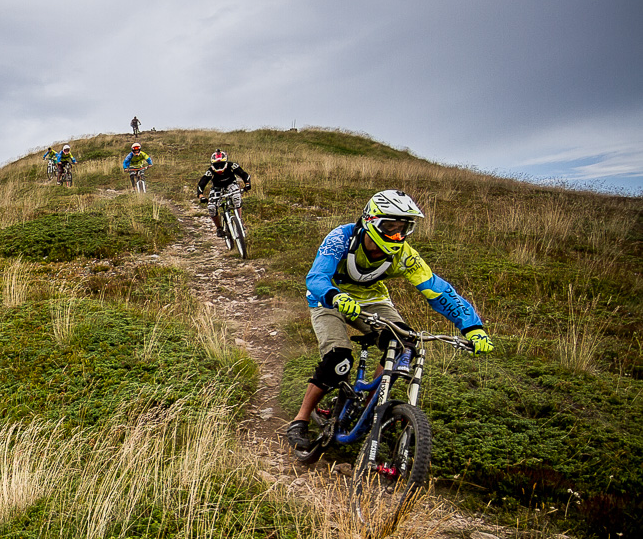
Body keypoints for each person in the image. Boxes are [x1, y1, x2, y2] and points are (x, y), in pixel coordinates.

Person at [282, 190, 494, 451]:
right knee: (339, 358)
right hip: (329, 297)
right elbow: (317, 277)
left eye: (403, 229)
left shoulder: (404, 254)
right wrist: (334, 296)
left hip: (373, 300)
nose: (397, 236)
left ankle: (372, 407)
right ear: (370, 222)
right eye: (389, 227)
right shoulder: (342, 238)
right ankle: (300, 419)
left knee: (405, 343)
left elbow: (440, 292)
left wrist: (472, 327)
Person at [196, 150, 251, 237]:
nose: (219, 167)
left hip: (231, 184)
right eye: (216, 165)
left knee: (237, 197)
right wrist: (201, 195)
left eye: (221, 164)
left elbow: (244, 174)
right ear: (212, 164)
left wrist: (247, 183)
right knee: (211, 207)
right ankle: (219, 228)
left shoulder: (231, 165)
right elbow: (201, 183)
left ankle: (239, 222)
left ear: (226, 162)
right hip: (217, 188)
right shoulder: (210, 171)